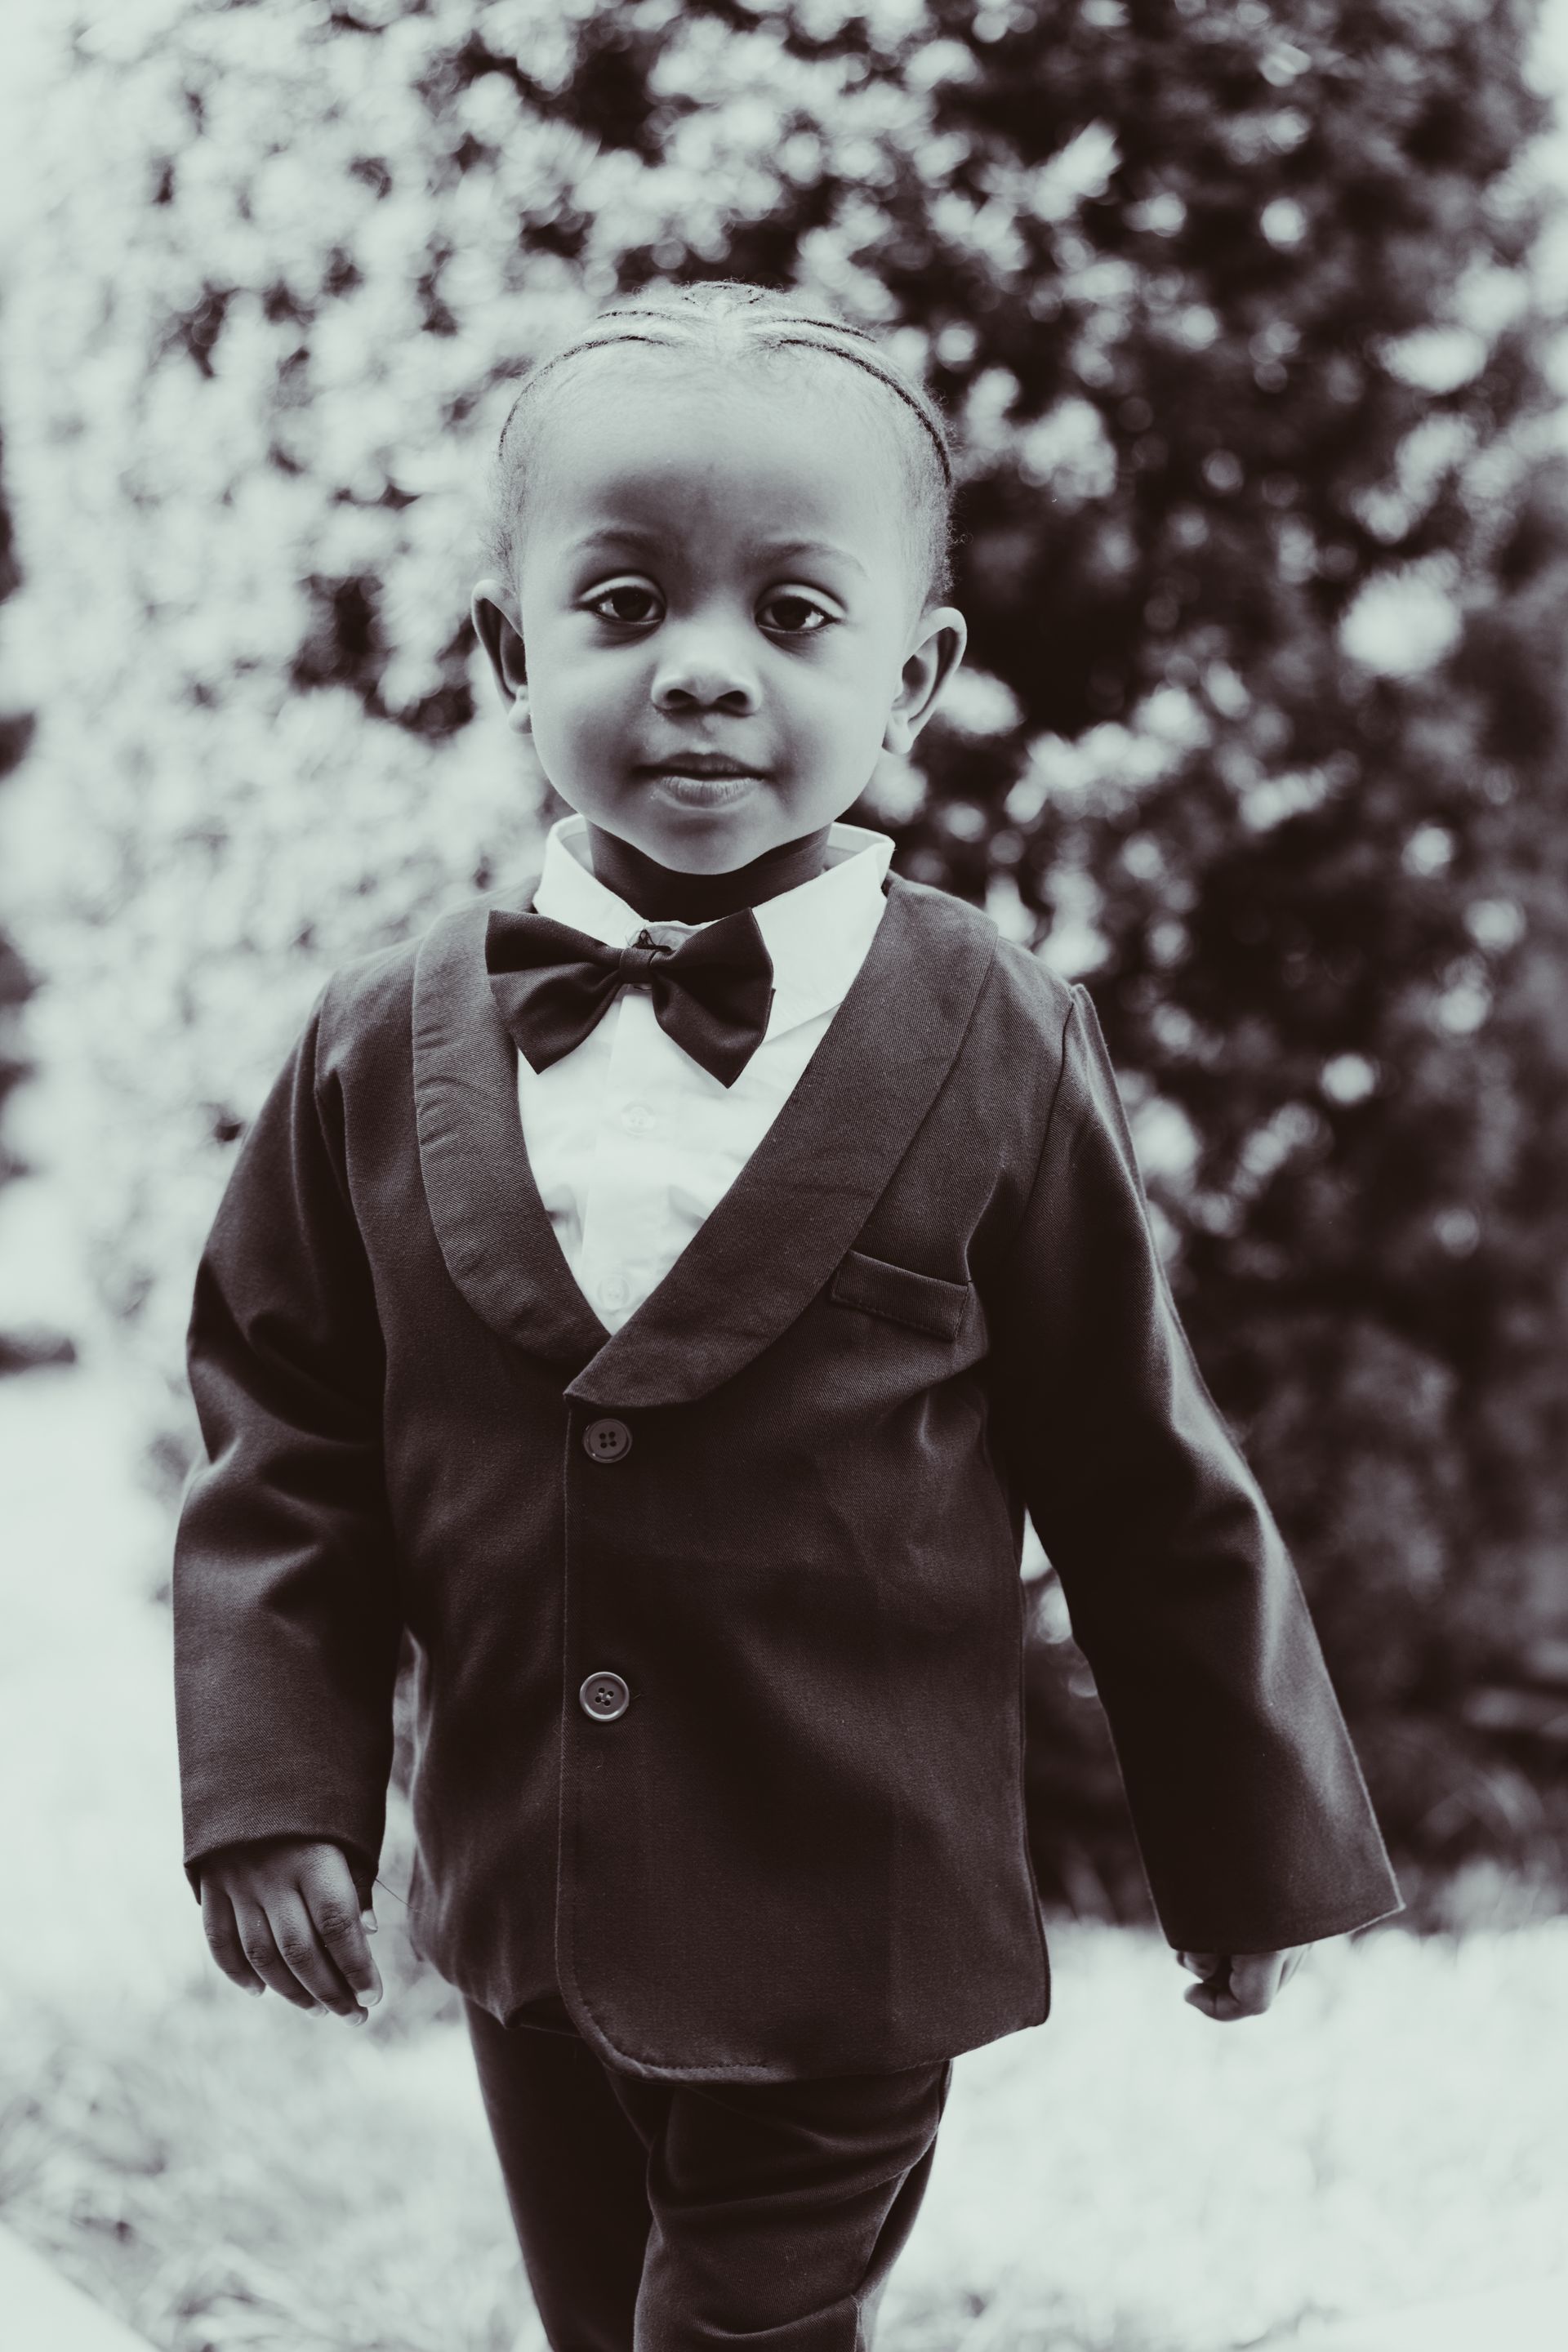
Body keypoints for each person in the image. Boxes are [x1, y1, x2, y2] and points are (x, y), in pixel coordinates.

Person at [173, 281, 1400, 2351]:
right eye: (627, 603)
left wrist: (1245, 1848)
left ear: (913, 679)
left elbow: (1132, 1466)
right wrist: (277, 1786)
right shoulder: (378, 1042)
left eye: (797, 618)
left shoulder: (995, 1030)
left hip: (853, 1914)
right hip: (526, 1906)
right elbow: (285, 1427)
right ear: (509, 652)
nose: (707, 677)